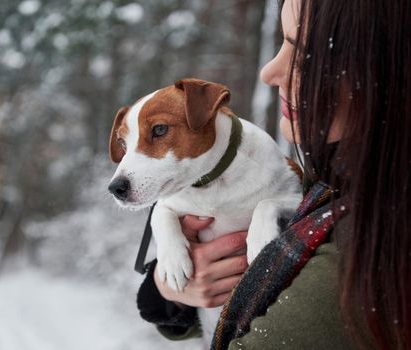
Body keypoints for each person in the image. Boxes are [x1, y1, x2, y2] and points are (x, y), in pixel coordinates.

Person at [136, 0, 411, 349]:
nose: (269, 72)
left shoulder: (359, 252)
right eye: (282, 41)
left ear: (388, 71)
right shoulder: (333, 185)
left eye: (305, 55)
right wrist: (171, 288)